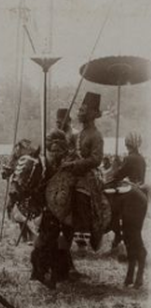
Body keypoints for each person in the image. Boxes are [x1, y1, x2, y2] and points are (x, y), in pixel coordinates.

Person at [30, 129, 75, 288]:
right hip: (49, 210)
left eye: (58, 150)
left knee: (55, 246)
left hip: (63, 211)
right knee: (45, 243)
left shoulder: (68, 165)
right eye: (52, 149)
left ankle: (54, 277)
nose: (55, 152)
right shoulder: (46, 165)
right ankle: (42, 272)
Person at [61, 92, 104, 250]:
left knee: (80, 197)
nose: (79, 113)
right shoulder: (78, 135)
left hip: (88, 176)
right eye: (80, 110)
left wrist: (74, 164)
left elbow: (96, 159)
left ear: (92, 114)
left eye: (83, 111)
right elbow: (71, 151)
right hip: (75, 173)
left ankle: (82, 242)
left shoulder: (96, 135)